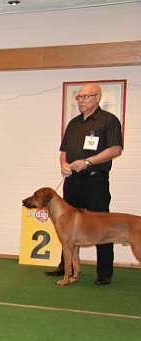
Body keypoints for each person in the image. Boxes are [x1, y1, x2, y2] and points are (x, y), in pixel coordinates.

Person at [45, 82, 123, 285]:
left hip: (95, 180)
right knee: (67, 226)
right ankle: (66, 267)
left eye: (85, 97)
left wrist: (87, 162)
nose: (80, 100)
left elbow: (115, 149)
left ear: (97, 98)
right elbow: (64, 151)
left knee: (103, 225)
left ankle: (104, 271)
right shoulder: (74, 123)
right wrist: (64, 164)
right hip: (73, 181)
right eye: (78, 97)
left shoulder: (109, 121)